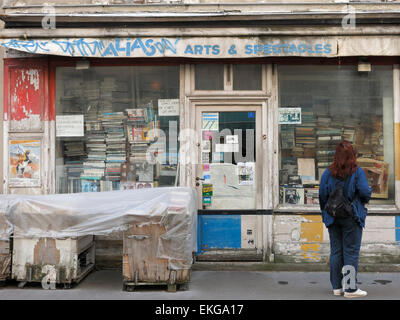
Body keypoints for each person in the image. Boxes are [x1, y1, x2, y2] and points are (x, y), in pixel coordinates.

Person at [319, 141, 372, 298]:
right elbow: (364, 193)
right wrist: (366, 195)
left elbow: (322, 195)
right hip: (351, 216)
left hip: (333, 218)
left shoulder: (327, 173)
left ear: (336, 155)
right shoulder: (357, 172)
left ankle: (337, 287)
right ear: (352, 155)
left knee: (336, 251)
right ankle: (350, 289)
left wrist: (326, 213)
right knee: (350, 252)